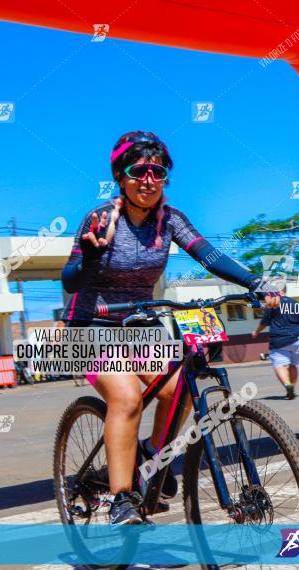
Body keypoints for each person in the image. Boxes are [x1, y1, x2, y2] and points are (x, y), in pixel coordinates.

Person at [61, 130, 277, 526]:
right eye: (138, 170)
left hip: (138, 322)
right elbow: (70, 280)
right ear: (121, 177)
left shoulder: (170, 219)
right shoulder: (101, 218)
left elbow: (209, 255)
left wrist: (254, 283)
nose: (148, 179)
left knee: (181, 390)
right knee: (126, 399)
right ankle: (121, 498)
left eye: (157, 171)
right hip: (89, 324)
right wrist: (90, 257)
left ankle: (149, 458)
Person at [252, 286, 299, 400]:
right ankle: (292, 388)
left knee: (280, 366)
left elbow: (264, 322)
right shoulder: (296, 303)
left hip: (279, 341)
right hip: (297, 341)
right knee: (293, 366)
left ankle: (288, 385)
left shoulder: (274, 302)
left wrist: (256, 332)